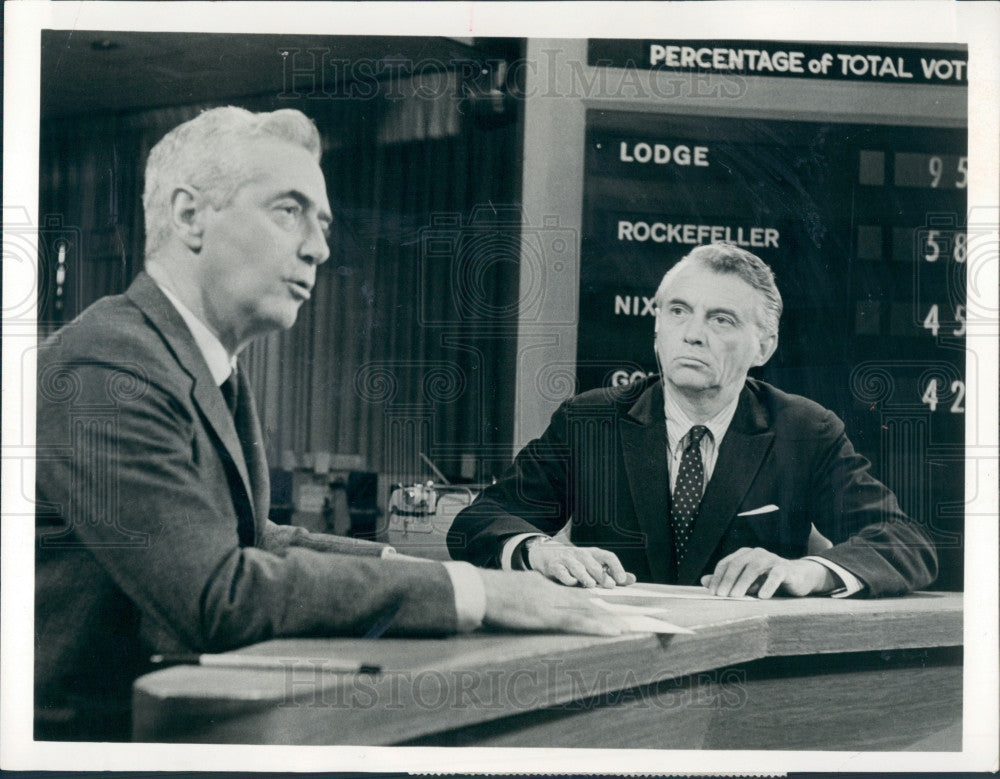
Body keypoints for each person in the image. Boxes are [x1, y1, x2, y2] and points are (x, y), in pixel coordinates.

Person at [34, 107, 624, 742]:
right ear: (188, 216)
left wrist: (407, 565)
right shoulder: (109, 363)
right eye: (289, 211)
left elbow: (251, 537)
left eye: (322, 223)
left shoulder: (194, 358)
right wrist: (477, 593)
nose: (318, 247)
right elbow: (218, 594)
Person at [448, 243, 937, 600]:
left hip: (748, 671)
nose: (693, 334)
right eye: (679, 312)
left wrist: (808, 571)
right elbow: (476, 523)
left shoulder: (804, 431)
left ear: (763, 346)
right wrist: (540, 550)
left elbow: (905, 543)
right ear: (657, 327)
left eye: (721, 319)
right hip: (613, 661)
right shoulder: (590, 420)